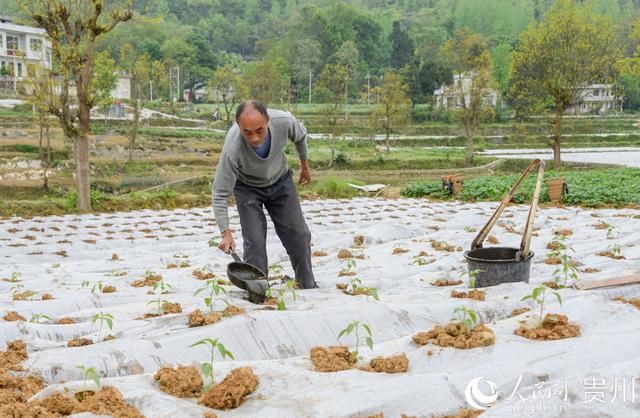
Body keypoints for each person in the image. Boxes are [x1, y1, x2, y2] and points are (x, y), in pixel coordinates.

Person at [212, 100, 317, 289]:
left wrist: (305, 166)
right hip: (247, 188)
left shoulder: (283, 121)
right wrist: (225, 233)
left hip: (280, 180)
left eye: (260, 130)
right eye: (247, 132)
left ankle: (306, 283)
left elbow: (300, 137)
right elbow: (219, 193)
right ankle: (258, 291)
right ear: (238, 126)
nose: (254, 138)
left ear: (268, 121)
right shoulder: (232, 149)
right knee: (255, 242)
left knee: (299, 234)